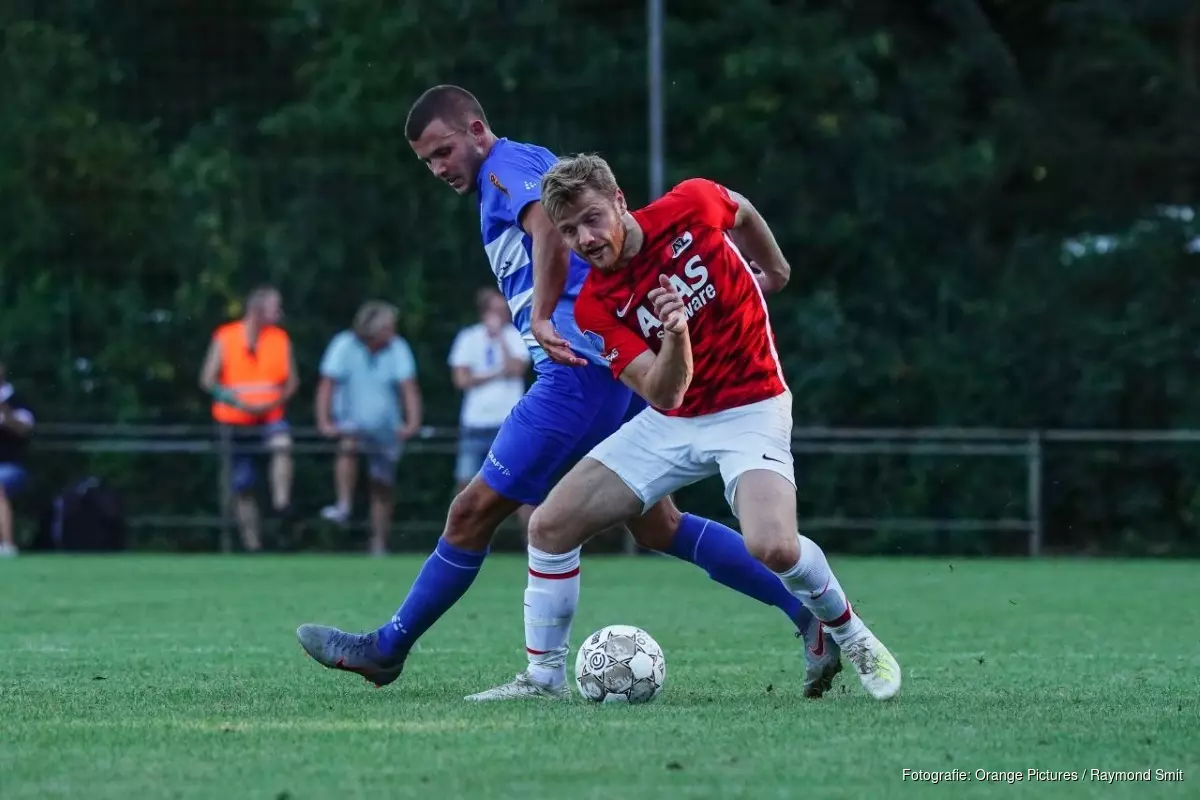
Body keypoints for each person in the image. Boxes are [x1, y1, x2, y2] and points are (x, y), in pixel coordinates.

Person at [296, 85, 840, 700]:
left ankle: (387, 650)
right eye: (427, 161)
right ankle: (809, 618)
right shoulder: (514, 169)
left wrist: (544, 315)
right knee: (657, 526)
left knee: (472, 512)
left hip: (576, 377)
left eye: (444, 151)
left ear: (476, 130)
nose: (439, 168)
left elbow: (547, 229)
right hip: (610, 369)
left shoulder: (504, 169)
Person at [468, 154, 901, 702]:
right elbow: (662, 393)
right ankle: (544, 680)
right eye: (570, 231)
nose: (586, 239)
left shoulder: (691, 204)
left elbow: (741, 210)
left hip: (752, 405)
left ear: (620, 201)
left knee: (773, 546)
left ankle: (852, 636)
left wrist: (776, 269)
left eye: (593, 219)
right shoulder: (597, 306)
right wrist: (676, 334)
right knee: (549, 527)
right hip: (672, 419)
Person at [316, 301, 423, 556]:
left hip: (386, 427)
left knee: (382, 484)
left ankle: (379, 542)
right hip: (351, 423)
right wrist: (325, 421)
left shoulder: (397, 347)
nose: (393, 332)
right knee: (348, 447)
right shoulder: (343, 344)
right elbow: (327, 384)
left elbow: (408, 387)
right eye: (389, 327)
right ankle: (344, 504)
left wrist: (412, 423)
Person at [199, 286, 298, 552]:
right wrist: (235, 402)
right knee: (242, 484)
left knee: (282, 445)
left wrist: (272, 403)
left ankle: (281, 504)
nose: (280, 313)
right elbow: (208, 380)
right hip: (234, 419)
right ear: (257, 311)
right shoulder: (226, 336)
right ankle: (252, 544)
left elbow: (291, 382)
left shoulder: (280, 339)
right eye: (275, 308)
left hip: (270, 414)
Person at [449, 288, 531, 532]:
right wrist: (496, 373)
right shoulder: (468, 338)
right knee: (465, 483)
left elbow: (516, 368)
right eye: (495, 310)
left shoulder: (515, 336)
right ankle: (458, 539)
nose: (501, 315)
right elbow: (461, 380)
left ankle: (532, 545)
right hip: (474, 423)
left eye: (503, 310)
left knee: (520, 484)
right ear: (484, 312)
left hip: (508, 423)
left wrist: (500, 339)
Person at [0, 360, 35, 558]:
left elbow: (23, 429)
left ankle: (7, 544)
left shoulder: (17, 400)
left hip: (11, 467)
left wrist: (5, 411)